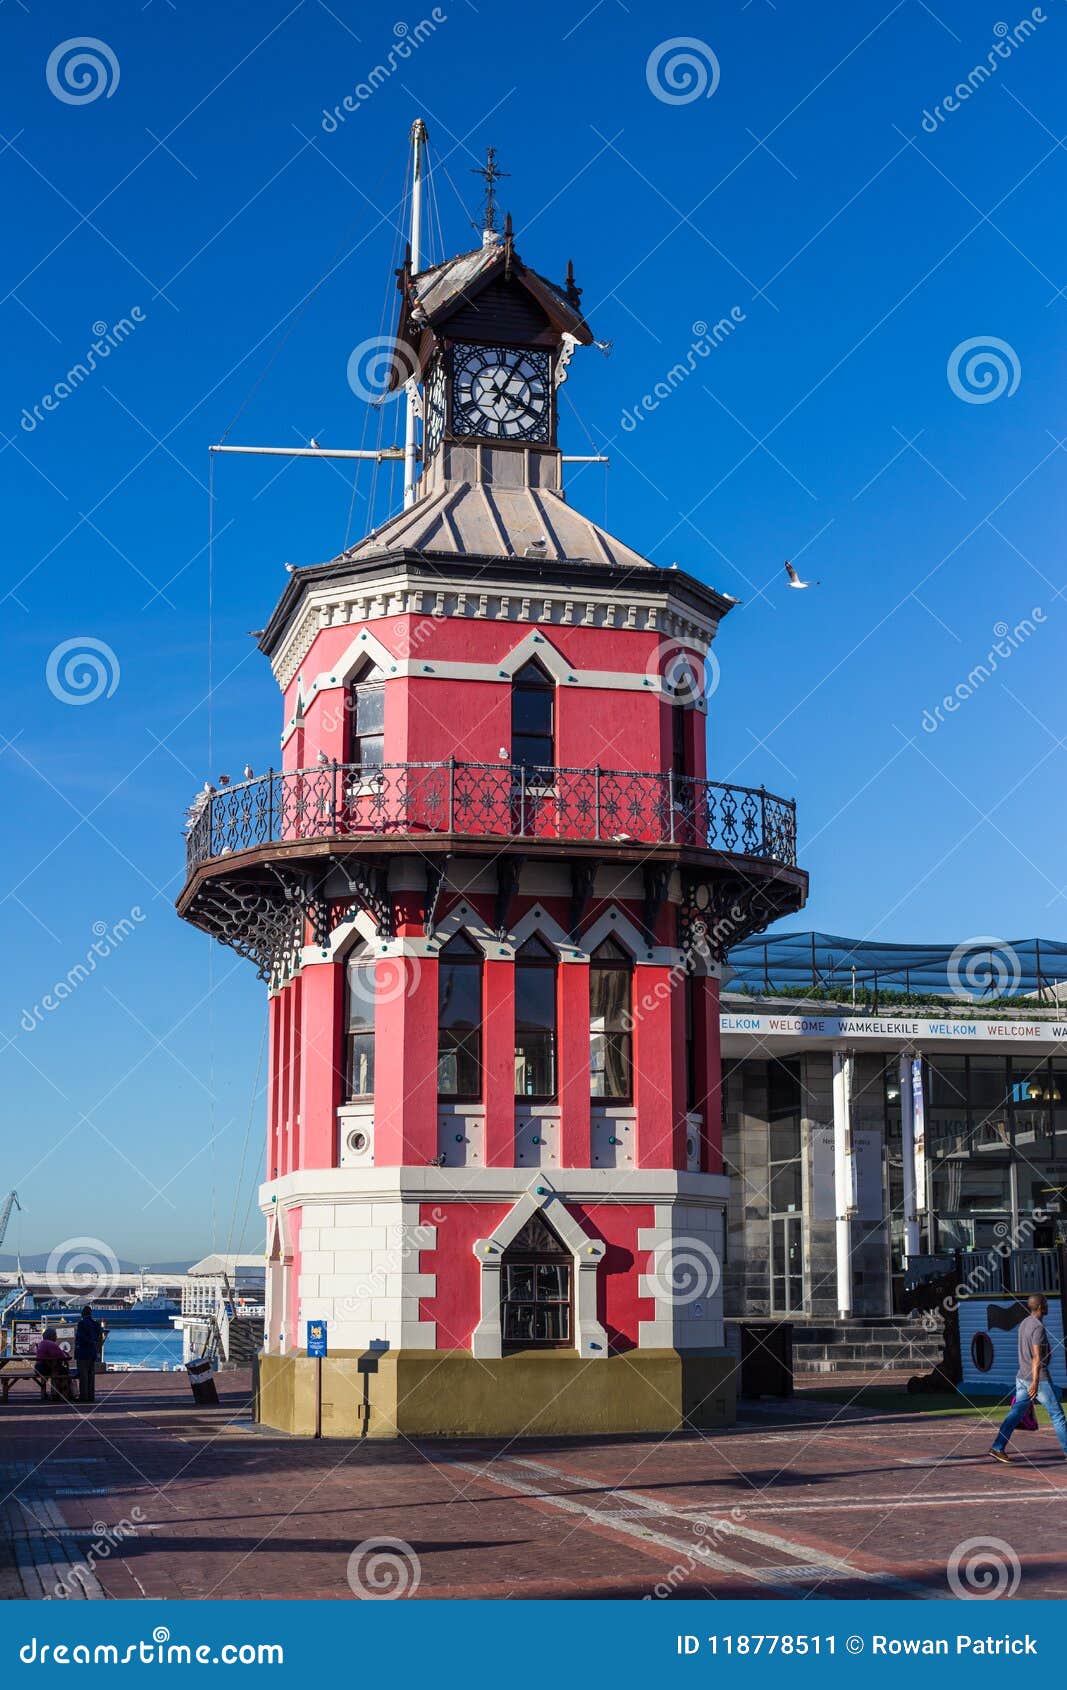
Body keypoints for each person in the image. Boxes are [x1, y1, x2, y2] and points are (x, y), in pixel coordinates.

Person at [991, 1293, 1067, 1463]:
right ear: (1040, 1306)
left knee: (1016, 1413)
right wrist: (1035, 1382)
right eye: (1046, 1303)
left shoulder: (1024, 1323)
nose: (1048, 1305)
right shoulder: (1038, 1327)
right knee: (1057, 1415)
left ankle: (997, 1447)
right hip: (1037, 1378)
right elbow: (1036, 1357)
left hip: (1021, 1377)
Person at [73, 1305, 102, 1404]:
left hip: (82, 1352)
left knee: (83, 1375)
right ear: (90, 1313)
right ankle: (91, 1396)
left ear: (82, 1314)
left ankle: (83, 1396)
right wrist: (93, 1344)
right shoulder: (96, 1324)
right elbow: (99, 1338)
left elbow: (80, 1337)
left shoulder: (81, 1323)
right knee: (91, 1375)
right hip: (92, 1353)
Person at [34, 1329, 71, 1401]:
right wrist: (64, 1353)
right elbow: (62, 1357)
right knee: (64, 1372)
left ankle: (55, 1393)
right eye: (55, 1335)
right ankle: (63, 1394)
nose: (56, 1337)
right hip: (46, 1368)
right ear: (51, 1336)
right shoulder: (51, 1344)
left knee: (58, 1371)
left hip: (38, 1367)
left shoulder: (42, 1343)